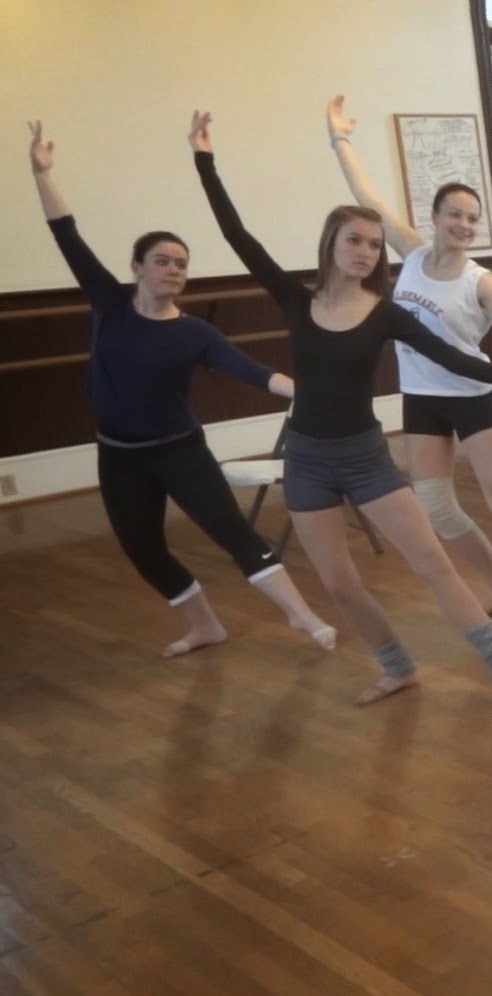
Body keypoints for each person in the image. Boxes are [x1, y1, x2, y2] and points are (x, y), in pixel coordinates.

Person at [190, 111, 492, 706]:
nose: (367, 252)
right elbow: (239, 236)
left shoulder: (387, 313)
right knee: (339, 583)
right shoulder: (296, 299)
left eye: (374, 244)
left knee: (433, 565)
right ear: (332, 246)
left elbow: (458, 358)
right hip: (308, 460)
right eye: (355, 241)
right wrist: (205, 162)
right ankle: (397, 667)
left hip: (366, 457)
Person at [26, 120, 334, 657]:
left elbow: (253, 372)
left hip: (179, 452)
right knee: (143, 549)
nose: (174, 270)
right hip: (118, 456)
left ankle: (302, 616)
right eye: (163, 261)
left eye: (182, 264)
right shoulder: (110, 304)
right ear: (137, 269)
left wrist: (303, 393)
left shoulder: (196, 333)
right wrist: (42, 174)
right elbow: (66, 234)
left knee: (233, 534)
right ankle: (205, 626)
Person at [326, 96, 492, 614]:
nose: (464, 224)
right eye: (454, 214)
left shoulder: (482, 283)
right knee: (437, 507)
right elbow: (364, 191)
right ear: (435, 216)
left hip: (471, 398)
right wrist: (339, 138)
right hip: (421, 399)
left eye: (472, 218)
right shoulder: (409, 251)